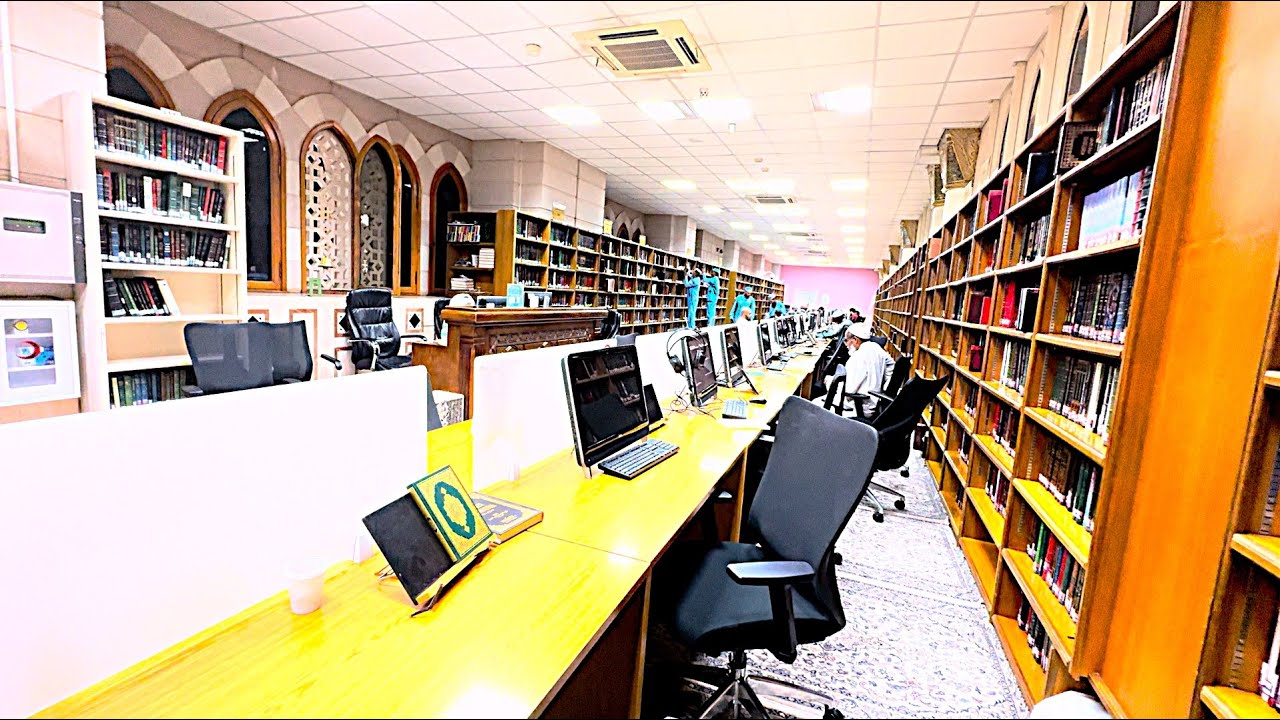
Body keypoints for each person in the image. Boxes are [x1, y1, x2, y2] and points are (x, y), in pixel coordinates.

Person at [842, 322, 892, 417]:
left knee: (817, 403)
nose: (846, 345)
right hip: (875, 403)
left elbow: (848, 390)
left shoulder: (858, 356)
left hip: (858, 407)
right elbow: (891, 365)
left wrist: (829, 382)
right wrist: (885, 386)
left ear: (855, 340)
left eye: (846, 341)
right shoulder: (877, 348)